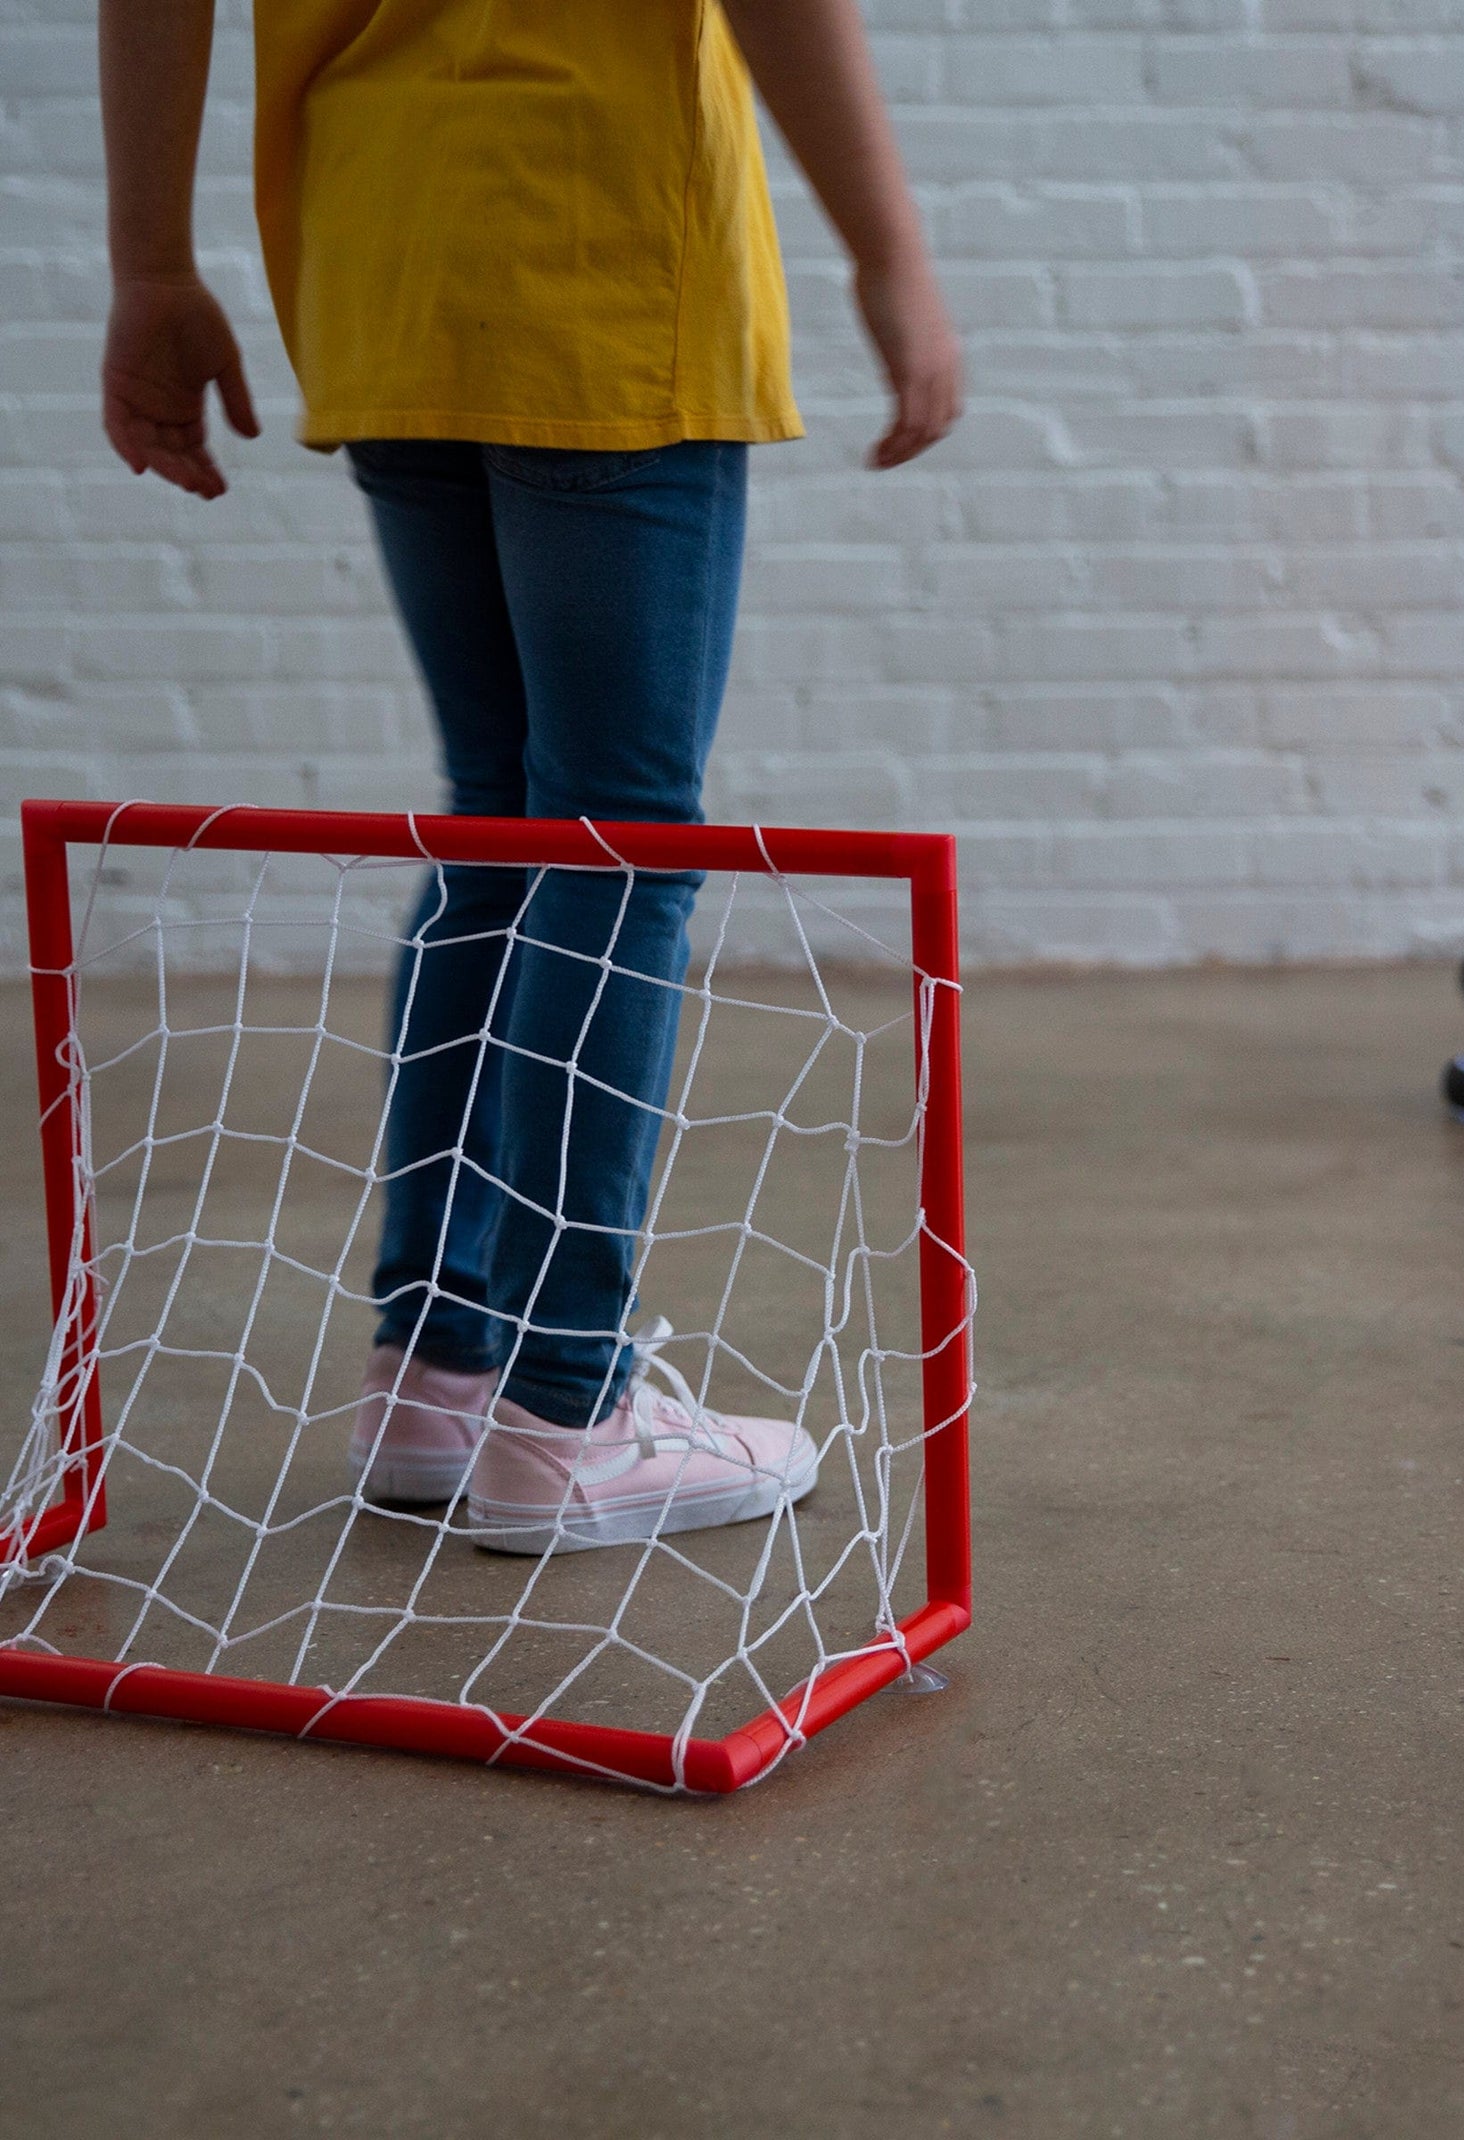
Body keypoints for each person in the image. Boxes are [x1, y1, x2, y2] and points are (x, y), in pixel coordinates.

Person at [96, 0, 961, 1548]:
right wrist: (888, 247)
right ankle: (567, 1408)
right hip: (596, 230)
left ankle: (436, 1369)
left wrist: (151, 263)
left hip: (383, 239)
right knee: (615, 843)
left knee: (500, 820)